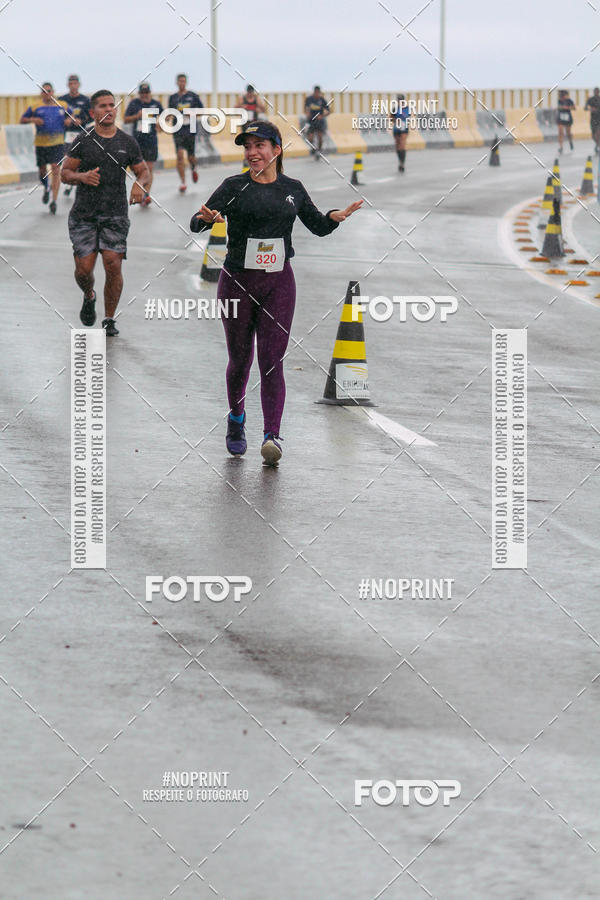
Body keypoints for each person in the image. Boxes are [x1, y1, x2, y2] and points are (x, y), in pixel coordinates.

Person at [190, 121, 362, 466]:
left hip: (279, 283)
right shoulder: (234, 186)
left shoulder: (293, 189)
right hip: (237, 282)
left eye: (259, 146)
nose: (252, 153)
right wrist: (205, 218)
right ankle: (236, 419)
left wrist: (335, 216)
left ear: (277, 150)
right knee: (240, 360)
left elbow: (316, 224)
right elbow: (197, 221)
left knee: (272, 361)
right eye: (247, 147)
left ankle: (272, 435)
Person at [61, 89, 150, 336]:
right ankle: (89, 295)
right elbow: (65, 173)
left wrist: (139, 185)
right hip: (84, 215)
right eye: (102, 106)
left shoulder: (127, 142)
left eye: (112, 105)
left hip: (115, 214)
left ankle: (109, 318)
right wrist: (82, 177)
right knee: (84, 269)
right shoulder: (83, 139)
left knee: (113, 264)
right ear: (93, 112)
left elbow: (143, 171)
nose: (108, 109)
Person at [20, 83, 72, 214]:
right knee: (42, 171)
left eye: (49, 91)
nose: (46, 93)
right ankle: (46, 187)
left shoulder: (62, 105)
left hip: (57, 143)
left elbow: (72, 118)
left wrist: (69, 121)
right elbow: (22, 119)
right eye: (44, 91)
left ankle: (54, 201)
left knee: (56, 169)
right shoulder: (35, 106)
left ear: (53, 92)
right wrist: (33, 119)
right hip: (41, 143)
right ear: (41, 93)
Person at [124, 83, 164, 206]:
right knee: (139, 169)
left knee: (150, 168)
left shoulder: (156, 104)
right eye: (142, 93)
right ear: (139, 93)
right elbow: (126, 119)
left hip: (151, 140)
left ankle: (146, 194)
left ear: (150, 93)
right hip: (137, 140)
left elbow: (166, 118)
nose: (144, 95)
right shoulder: (134, 104)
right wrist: (137, 116)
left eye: (146, 93)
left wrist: (160, 125)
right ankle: (140, 191)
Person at [168, 74, 202, 193]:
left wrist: (192, 113)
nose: (182, 83)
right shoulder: (173, 97)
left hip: (190, 129)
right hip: (178, 130)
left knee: (191, 156)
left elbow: (201, 111)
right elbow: (169, 112)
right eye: (180, 81)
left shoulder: (193, 96)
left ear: (186, 82)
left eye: (183, 81)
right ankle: (183, 182)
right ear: (177, 83)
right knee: (180, 155)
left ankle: (193, 168)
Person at [59, 75, 91, 197]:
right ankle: (69, 182)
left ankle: (77, 180)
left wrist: (81, 121)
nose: (73, 86)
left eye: (75, 84)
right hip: (66, 133)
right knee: (67, 156)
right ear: (68, 85)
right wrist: (64, 120)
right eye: (71, 84)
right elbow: (56, 115)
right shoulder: (62, 100)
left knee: (79, 158)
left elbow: (91, 116)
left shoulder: (85, 100)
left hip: (80, 132)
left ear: (78, 85)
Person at [303, 86, 330, 159]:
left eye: (318, 93)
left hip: (319, 121)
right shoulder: (309, 99)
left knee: (320, 137)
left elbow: (328, 111)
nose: (317, 94)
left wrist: (322, 115)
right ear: (314, 92)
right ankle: (313, 149)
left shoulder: (322, 100)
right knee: (310, 138)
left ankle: (319, 151)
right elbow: (306, 108)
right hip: (311, 121)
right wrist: (307, 113)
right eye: (316, 93)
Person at [392, 93, 410, 172]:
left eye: (401, 100)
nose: (400, 101)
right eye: (399, 100)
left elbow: (408, 117)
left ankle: (402, 163)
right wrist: (395, 121)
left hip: (404, 128)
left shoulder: (407, 108)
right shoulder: (394, 109)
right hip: (396, 128)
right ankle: (400, 161)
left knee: (402, 144)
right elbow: (391, 117)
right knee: (397, 145)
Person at [557, 89, 575, 154]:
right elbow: (558, 107)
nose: (561, 97)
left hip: (568, 118)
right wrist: (560, 108)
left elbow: (574, 108)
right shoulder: (559, 101)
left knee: (568, 133)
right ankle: (561, 147)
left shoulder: (569, 100)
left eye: (562, 95)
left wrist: (566, 108)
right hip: (561, 118)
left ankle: (570, 142)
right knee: (560, 132)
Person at [584, 87, 600, 153]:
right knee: (593, 136)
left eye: (597, 91)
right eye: (595, 91)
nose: (596, 92)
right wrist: (590, 109)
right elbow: (585, 108)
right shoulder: (590, 99)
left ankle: (597, 146)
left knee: (597, 133)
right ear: (593, 92)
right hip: (593, 119)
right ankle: (597, 144)